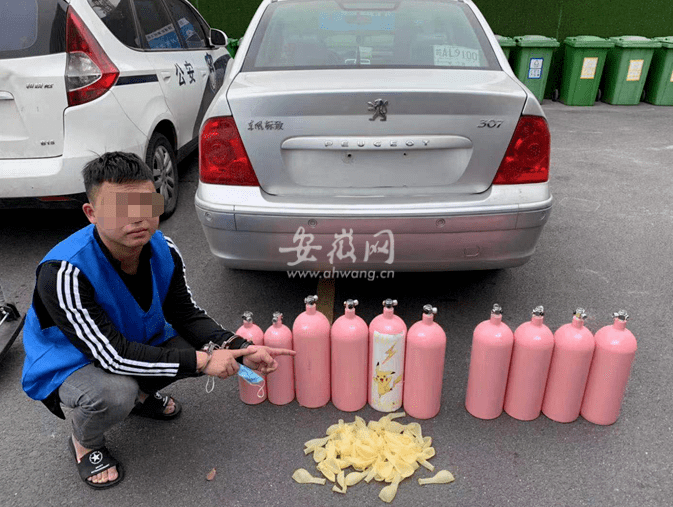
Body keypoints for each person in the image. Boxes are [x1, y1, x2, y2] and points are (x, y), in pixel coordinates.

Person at [21, 152, 295, 489]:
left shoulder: (164, 248)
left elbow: (185, 314)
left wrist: (238, 346)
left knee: (185, 348)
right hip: (71, 358)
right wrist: (206, 360)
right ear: (91, 214)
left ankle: (139, 399)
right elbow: (111, 355)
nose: (137, 219)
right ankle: (86, 442)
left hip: (126, 339)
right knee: (115, 392)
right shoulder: (64, 272)